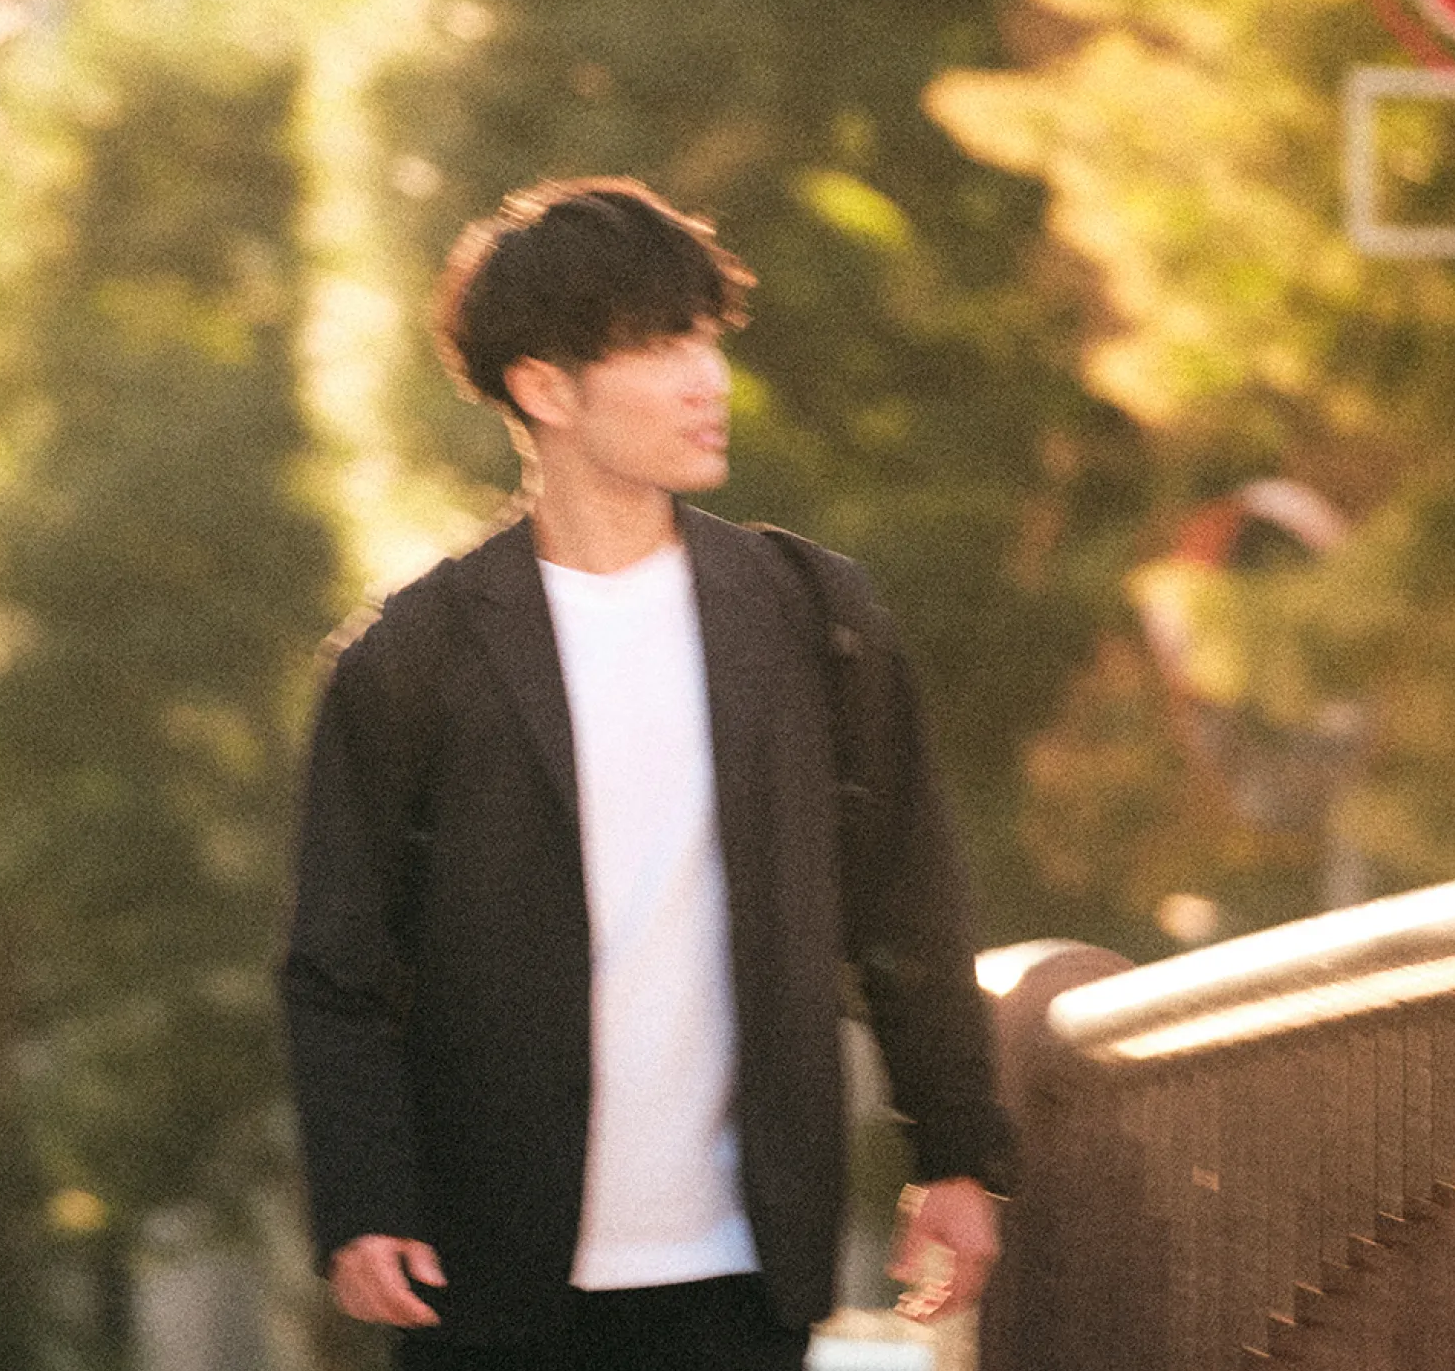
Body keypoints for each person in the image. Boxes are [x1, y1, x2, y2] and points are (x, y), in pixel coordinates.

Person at [279, 178, 1015, 1370]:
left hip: (742, 1269)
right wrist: (364, 1201)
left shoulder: (811, 619)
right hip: (489, 1275)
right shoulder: (412, 660)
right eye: (661, 348)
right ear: (545, 388)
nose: (707, 380)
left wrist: (958, 1153)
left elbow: (906, 901)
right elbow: (339, 967)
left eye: (707, 341)